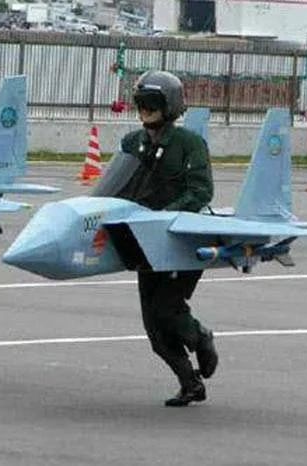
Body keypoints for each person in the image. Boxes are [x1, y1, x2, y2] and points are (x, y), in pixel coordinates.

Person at [115, 70, 219, 407]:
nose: (145, 110)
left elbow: (201, 190)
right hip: (142, 241)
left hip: (179, 240)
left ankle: (201, 337)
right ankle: (191, 384)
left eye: (152, 103)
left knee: (167, 309)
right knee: (154, 329)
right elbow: (117, 186)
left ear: (170, 106)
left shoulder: (189, 144)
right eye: (141, 103)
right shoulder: (132, 143)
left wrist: (164, 216)